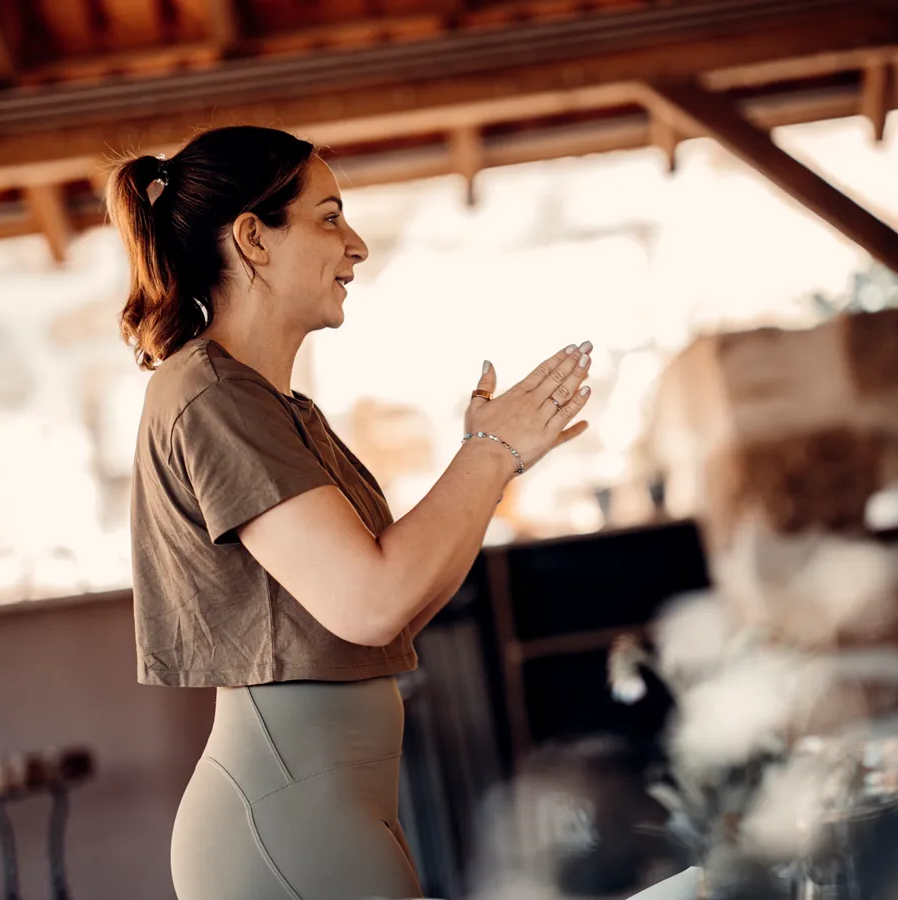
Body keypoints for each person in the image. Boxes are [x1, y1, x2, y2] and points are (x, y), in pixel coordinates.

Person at [106, 124, 593, 900]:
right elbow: (372, 602)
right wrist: (490, 454)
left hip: (318, 807)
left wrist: (493, 460)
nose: (356, 245)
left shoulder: (272, 404)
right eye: (329, 216)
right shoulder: (213, 397)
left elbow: (399, 610)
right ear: (253, 240)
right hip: (286, 815)